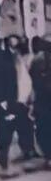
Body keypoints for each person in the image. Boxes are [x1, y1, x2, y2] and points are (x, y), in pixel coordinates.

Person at [0, 33, 36, 171]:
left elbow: (23, 79)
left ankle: (26, 152)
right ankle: (4, 159)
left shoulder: (18, 58)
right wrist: (1, 101)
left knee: (23, 125)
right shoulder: (3, 59)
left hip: (19, 100)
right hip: (7, 100)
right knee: (5, 129)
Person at [30, 35, 51, 166]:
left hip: (42, 99)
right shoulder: (38, 60)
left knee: (43, 128)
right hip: (43, 99)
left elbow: (32, 79)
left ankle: (48, 156)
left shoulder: (36, 60)